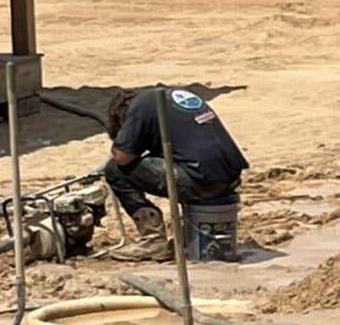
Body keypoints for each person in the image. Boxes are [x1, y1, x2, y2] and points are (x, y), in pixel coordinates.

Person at [103, 86, 249, 261]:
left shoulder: (139, 107)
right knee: (179, 164)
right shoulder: (168, 97)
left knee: (114, 170)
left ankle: (153, 240)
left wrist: (126, 141)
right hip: (229, 176)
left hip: (199, 178)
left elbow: (122, 157)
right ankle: (189, 237)